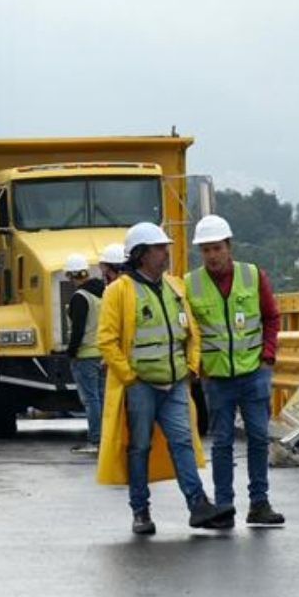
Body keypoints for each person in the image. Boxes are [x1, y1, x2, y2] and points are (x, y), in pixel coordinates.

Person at [96, 222, 234, 535]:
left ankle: (198, 505)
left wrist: (191, 367)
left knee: (183, 442)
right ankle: (140, 510)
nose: (165, 253)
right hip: (141, 385)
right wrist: (129, 377)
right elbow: (107, 340)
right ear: (141, 254)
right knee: (140, 447)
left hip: (175, 383)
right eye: (159, 248)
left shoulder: (174, 287)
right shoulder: (119, 291)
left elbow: (191, 332)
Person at [187, 215, 285, 527]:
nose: (212, 256)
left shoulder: (252, 276)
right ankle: (224, 505)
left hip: (254, 371)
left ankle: (259, 503)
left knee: (258, 437)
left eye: (217, 248)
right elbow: (188, 330)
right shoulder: (191, 284)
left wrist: (268, 356)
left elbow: (271, 317)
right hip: (216, 378)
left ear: (229, 247)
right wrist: (197, 366)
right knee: (222, 442)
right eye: (206, 250)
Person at [61, 253, 106, 454]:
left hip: (85, 355)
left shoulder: (80, 297)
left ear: (71, 275)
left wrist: (71, 351)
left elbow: (78, 329)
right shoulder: (102, 293)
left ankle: (96, 440)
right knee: (102, 399)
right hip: (102, 354)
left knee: (91, 400)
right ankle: (105, 439)